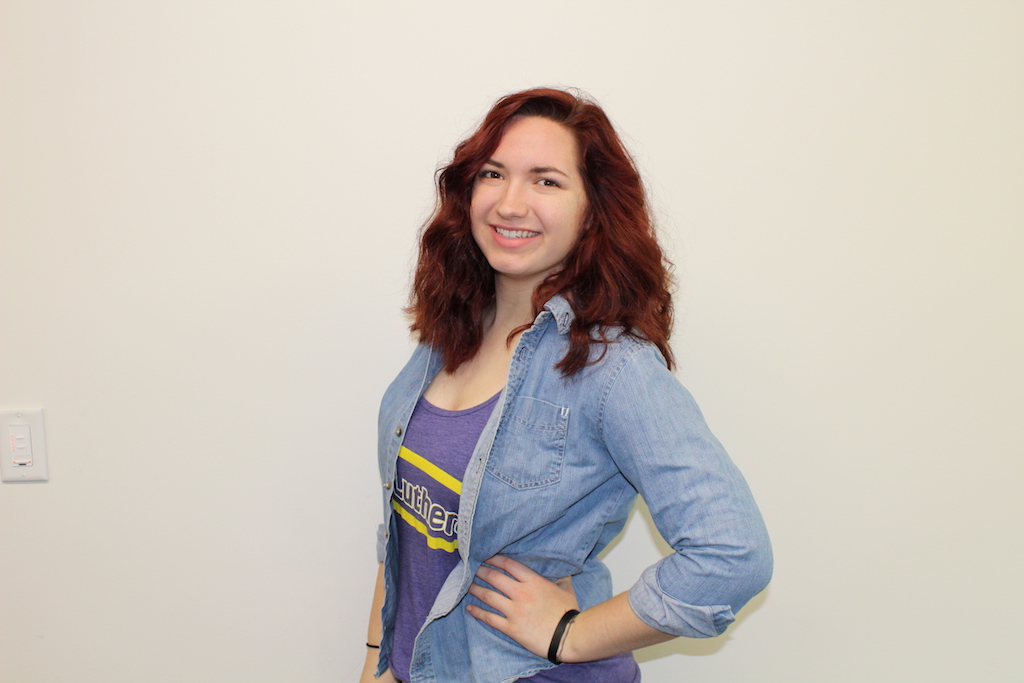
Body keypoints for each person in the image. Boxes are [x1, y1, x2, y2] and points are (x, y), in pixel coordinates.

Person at [360, 87, 772, 683]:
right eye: (493, 174)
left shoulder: (613, 368)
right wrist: (376, 660)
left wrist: (569, 635)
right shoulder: (446, 334)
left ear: (592, 210)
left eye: (546, 181)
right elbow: (402, 527)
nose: (510, 203)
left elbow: (733, 554)